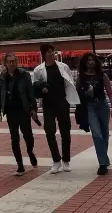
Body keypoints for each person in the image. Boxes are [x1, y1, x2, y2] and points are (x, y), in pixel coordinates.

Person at [32, 43, 80, 174]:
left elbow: (69, 83)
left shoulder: (63, 67)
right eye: (48, 52)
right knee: (50, 132)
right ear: (43, 54)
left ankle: (66, 160)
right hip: (48, 104)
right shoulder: (38, 70)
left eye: (52, 51)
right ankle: (56, 160)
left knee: (65, 132)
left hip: (62, 102)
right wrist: (42, 89)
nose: (51, 54)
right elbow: (35, 87)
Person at [0, 52, 38, 176]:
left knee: (28, 136)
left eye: (14, 61)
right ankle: (20, 165)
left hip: (23, 110)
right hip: (10, 111)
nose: (12, 63)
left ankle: (30, 152)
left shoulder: (24, 75)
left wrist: (33, 108)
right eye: (9, 61)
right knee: (14, 139)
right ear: (5, 63)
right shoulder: (2, 77)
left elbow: (30, 92)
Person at [76, 52, 112, 175]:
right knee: (96, 134)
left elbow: (109, 92)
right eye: (88, 60)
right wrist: (85, 93)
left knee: (104, 134)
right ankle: (103, 163)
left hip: (102, 105)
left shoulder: (102, 75)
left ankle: (103, 158)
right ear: (84, 63)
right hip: (90, 107)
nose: (91, 62)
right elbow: (77, 94)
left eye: (92, 59)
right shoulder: (81, 77)